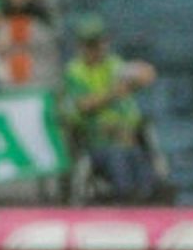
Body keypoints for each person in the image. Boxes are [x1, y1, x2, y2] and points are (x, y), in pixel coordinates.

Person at [64, 15, 158, 203]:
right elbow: (83, 105)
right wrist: (113, 93)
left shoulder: (113, 64)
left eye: (101, 42)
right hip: (98, 140)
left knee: (146, 173)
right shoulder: (75, 71)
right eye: (92, 44)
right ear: (82, 46)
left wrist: (136, 79)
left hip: (127, 138)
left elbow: (147, 74)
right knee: (119, 165)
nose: (98, 48)